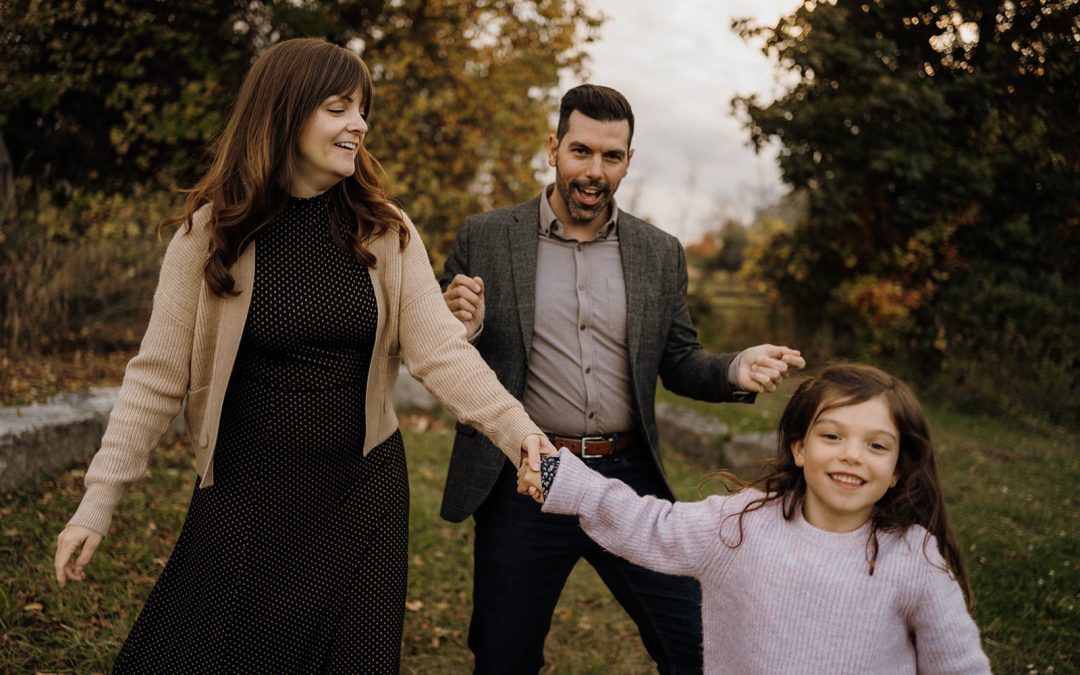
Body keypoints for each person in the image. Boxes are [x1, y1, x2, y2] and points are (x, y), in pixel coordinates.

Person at [52, 37, 555, 673]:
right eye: (340, 108)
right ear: (286, 114)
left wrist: (520, 433)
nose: (360, 125)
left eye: (362, 110)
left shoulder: (386, 231)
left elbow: (442, 356)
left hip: (360, 496)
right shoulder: (210, 234)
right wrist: (97, 502)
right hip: (244, 491)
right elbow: (155, 380)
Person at [440, 83, 805, 673]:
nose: (594, 171)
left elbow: (681, 361)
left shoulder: (659, 252)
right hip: (528, 475)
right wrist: (469, 327)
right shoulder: (485, 237)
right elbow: (448, 353)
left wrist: (734, 368)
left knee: (696, 645)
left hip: (628, 478)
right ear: (553, 147)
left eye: (612, 157)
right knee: (503, 658)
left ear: (629, 161)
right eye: (581, 152)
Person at [520, 363, 992, 673]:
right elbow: (652, 525)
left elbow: (958, 665)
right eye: (832, 436)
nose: (852, 456)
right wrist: (565, 479)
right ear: (800, 448)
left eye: (876, 445)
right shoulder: (741, 526)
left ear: (896, 471)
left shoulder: (913, 557)